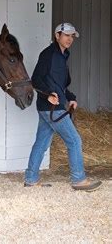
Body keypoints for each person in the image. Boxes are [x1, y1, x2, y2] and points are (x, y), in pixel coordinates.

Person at [24, 22, 102, 192]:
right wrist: (48, 95)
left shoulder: (63, 55)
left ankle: (30, 179)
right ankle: (78, 180)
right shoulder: (48, 54)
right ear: (57, 35)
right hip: (51, 107)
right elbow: (36, 80)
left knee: (41, 142)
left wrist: (71, 98)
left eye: (72, 36)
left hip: (51, 107)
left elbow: (61, 85)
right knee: (74, 140)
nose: (70, 39)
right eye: (66, 35)